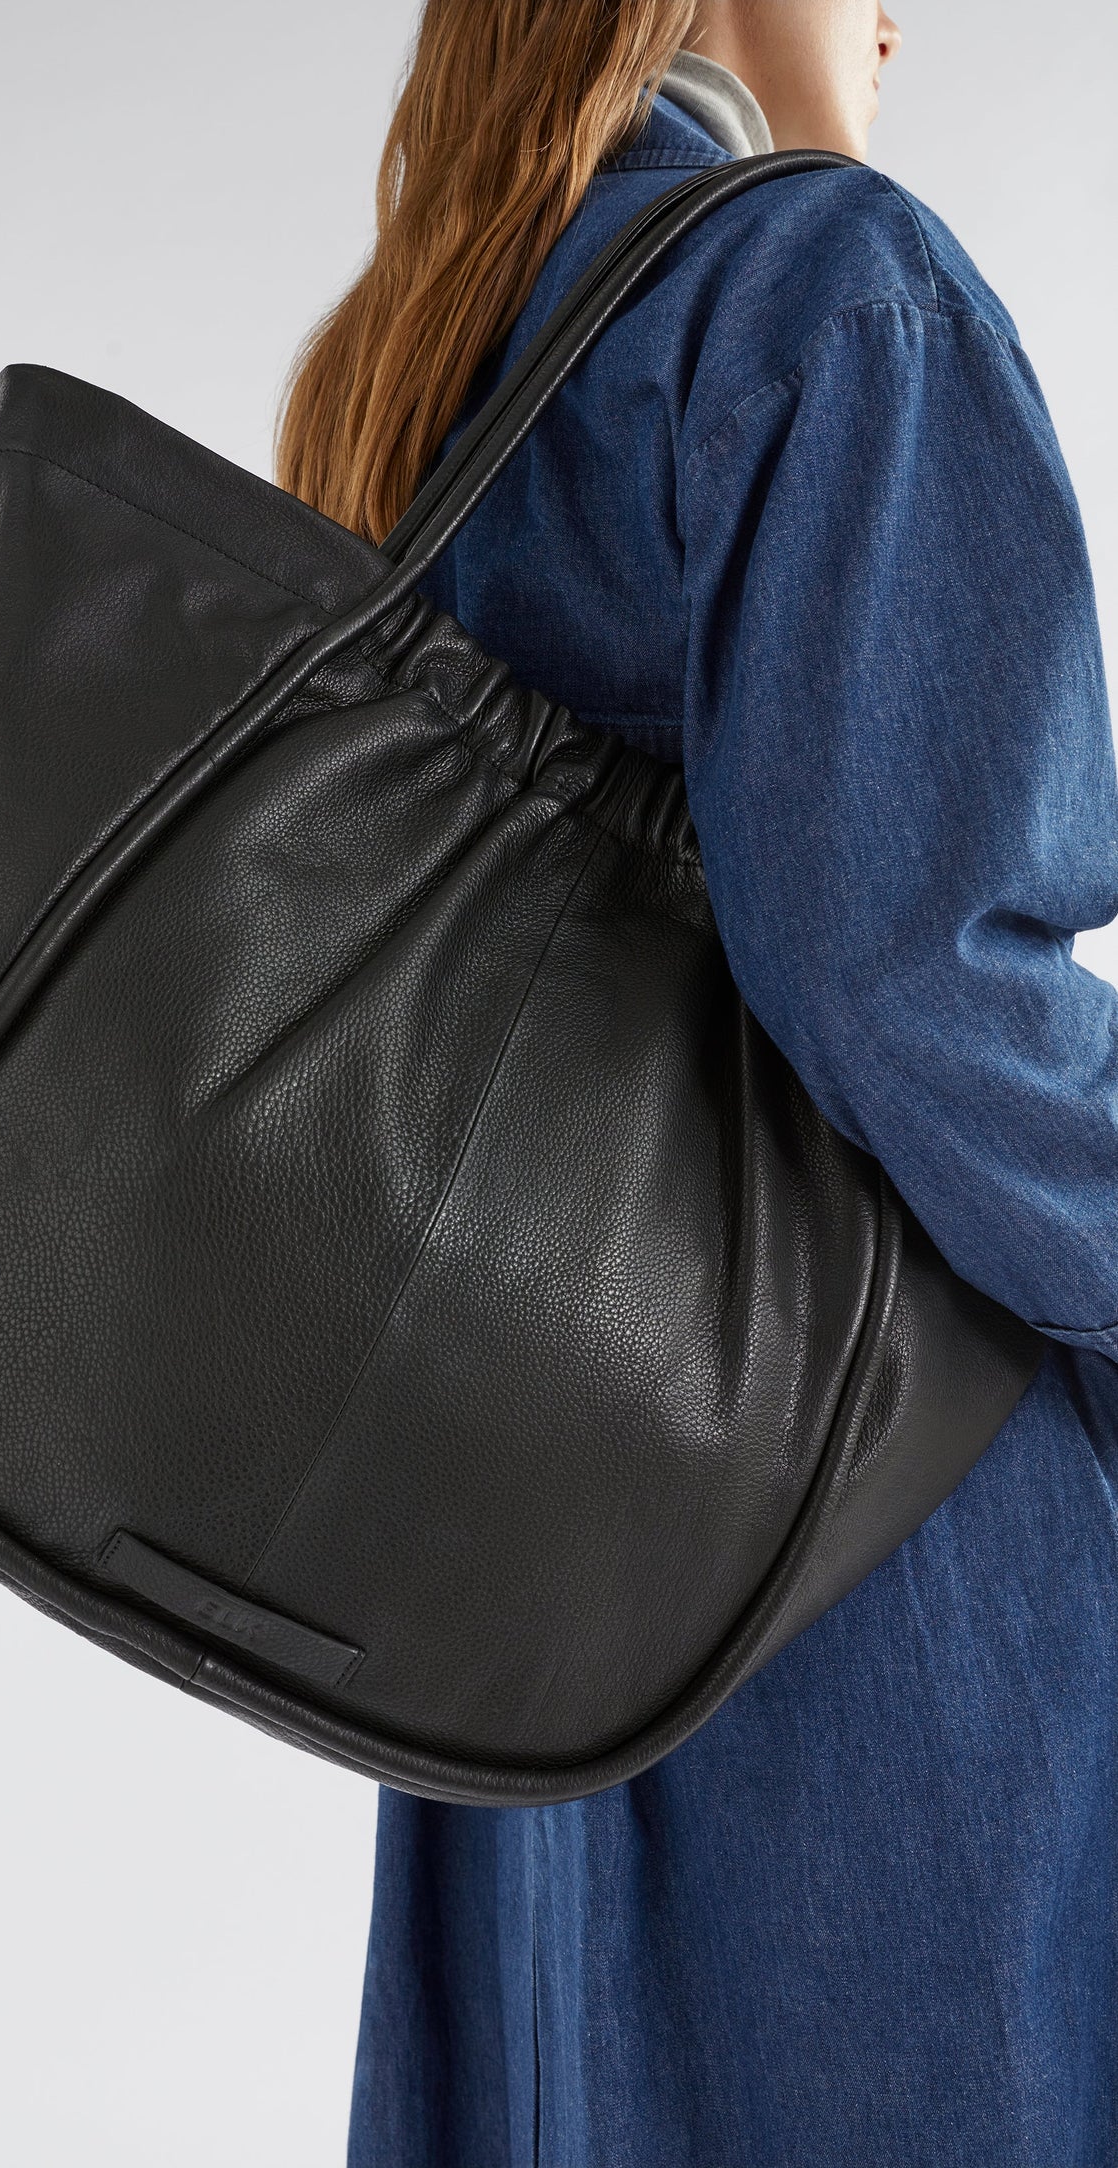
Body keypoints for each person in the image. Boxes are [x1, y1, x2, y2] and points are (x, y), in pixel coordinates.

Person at [277, 2, 1118, 2161]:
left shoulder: (432, 356)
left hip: (529, 1570)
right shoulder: (832, 287)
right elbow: (917, 976)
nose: (903, 17)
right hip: (881, 1543)